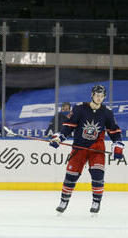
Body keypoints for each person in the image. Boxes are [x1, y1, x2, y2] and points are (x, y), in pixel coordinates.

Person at [49, 85, 124, 215]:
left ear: (104, 97)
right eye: (97, 95)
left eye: (101, 96)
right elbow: (68, 126)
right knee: (70, 177)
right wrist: (59, 138)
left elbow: (114, 131)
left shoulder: (107, 112)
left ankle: (96, 202)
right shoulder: (80, 108)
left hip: (97, 149)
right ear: (92, 95)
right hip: (79, 148)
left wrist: (117, 144)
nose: (99, 98)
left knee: (98, 175)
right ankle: (64, 201)